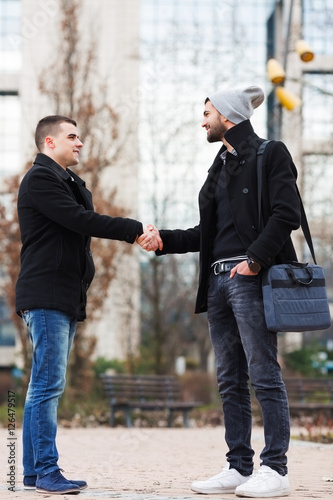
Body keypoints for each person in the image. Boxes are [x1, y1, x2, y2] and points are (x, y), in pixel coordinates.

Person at [138, 86, 301, 498]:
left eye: (207, 112)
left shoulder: (270, 154)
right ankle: (238, 466)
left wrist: (255, 261)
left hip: (251, 277)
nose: (203, 120)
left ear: (227, 115)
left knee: (264, 373)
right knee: (229, 378)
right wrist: (164, 242)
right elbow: (204, 234)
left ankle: (275, 469)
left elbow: (287, 213)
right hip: (217, 282)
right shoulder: (219, 167)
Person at [16, 115, 153, 495]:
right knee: (47, 385)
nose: (79, 143)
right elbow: (79, 220)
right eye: (72, 137)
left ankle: (32, 472)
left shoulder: (66, 181)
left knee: (42, 385)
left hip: (62, 295)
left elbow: (78, 220)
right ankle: (46, 471)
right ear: (49, 142)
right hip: (47, 295)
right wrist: (134, 229)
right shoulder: (40, 179)